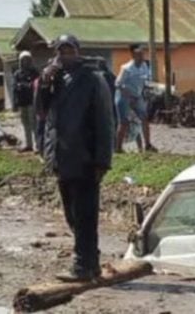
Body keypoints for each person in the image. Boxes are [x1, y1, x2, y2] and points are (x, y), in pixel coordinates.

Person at [36, 34, 114, 282]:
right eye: (61, 51)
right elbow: (41, 112)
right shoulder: (55, 79)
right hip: (61, 158)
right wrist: (44, 82)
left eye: (69, 50)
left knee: (84, 214)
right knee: (71, 215)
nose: (65, 55)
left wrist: (103, 160)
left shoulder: (93, 79)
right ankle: (91, 260)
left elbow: (105, 121)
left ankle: (83, 265)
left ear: (78, 52)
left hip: (86, 158)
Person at [115, 45, 157, 153]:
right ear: (133, 55)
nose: (141, 56)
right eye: (139, 54)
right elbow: (118, 84)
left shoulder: (144, 66)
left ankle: (148, 145)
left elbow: (144, 81)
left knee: (144, 118)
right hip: (124, 96)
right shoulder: (127, 68)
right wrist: (129, 96)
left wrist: (147, 90)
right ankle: (118, 148)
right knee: (124, 122)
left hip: (137, 96)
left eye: (142, 54)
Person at [13, 51, 39, 153]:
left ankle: (37, 145)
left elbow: (34, 85)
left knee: (33, 124)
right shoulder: (17, 73)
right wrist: (15, 103)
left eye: (27, 59)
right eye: (23, 60)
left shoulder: (34, 72)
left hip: (32, 101)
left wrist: (24, 85)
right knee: (25, 124)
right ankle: (28, 144)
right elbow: (15, 88)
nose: (25, 62)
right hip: (21, 102)